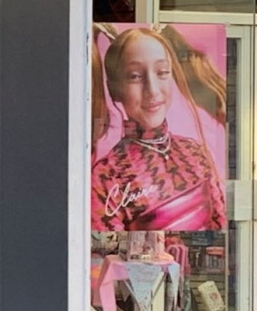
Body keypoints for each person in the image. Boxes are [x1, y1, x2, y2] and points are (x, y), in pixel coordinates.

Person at [91, 25, 226, 233]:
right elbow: (107, 259)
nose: (152, 90)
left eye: (162, 73)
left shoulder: (196, 152)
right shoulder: (105, 176)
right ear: (114, 89)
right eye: (135, 76)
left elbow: (221, 227)